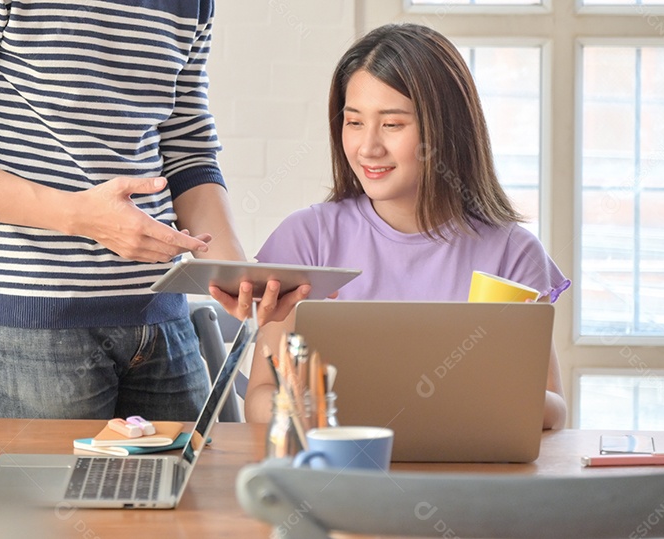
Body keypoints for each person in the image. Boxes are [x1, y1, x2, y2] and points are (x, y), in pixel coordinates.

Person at [0, 0, 302, 423]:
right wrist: (82, 216)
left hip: (162, 319)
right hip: (32, 326)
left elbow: (186, 150)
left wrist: (233, 275)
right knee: (49, 494)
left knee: (186, 491)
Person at [241, 23, 571, 430]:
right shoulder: (305, 240)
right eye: (354, 122)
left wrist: (481, 395)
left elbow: (554, 410)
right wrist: (303, 410)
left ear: (446, 129)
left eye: (393, 124)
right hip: (336, 474)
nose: (368, 147)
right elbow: (257, 398)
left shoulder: (512, 251)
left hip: (467, 479)